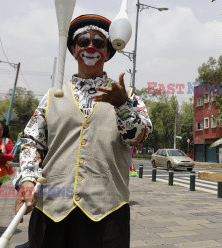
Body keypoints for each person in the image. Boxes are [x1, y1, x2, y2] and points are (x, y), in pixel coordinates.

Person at [13, 14, 152, 248]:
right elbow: (31, 141)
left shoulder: (128, 97)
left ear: (107, 52)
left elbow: (139, 136)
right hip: (52, 210)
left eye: (98, 43)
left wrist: (123, 106)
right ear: (73, 49)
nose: (90, 46)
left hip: (108, 214)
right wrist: (27, 178)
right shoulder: (52, 95)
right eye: (83, 41)